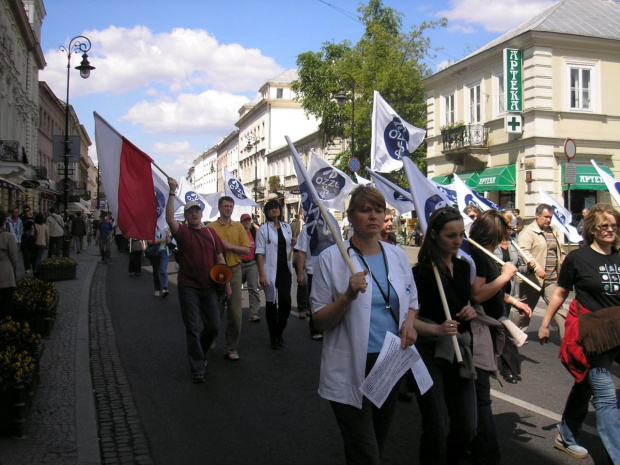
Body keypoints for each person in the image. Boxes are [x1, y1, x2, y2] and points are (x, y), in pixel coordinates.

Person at [311, 185, 418, 464]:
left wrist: (409, 323)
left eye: (378, 210)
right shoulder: (331, 259)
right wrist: (347, 297)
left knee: (375, 442)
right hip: (350, 364)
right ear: (350, 216)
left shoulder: (396, 255)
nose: (373, 216)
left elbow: (412, 301)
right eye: (365, 209)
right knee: (365, 450)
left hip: (390, 360)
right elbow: (319, 322)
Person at [538, 204, 620, 462]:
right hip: (594, 335)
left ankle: (565, 435)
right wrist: (545, 323)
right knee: (606, 399)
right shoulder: (578, 258)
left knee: (585, 384)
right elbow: (560, 293)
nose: (610, 230)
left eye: (613, 225)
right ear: (592, 230)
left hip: (619, 330)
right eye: (604, 226)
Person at [412, 206, 478, 465]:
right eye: (451, 236)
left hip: (459, 353)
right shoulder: (421, 273)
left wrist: (472, 310)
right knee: (437, 426)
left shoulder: (463, 267)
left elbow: (468, 304)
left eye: (461, 235)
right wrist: (436, 329)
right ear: (435, 236)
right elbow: (407, 321)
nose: (458, 241)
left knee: (467, 427)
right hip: (429, 353)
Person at [469, 209, 532, 465]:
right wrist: (506, 276)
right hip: (477, 331)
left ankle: (472, 443)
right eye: (501, 233)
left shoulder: (485, 255)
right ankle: (486, 453)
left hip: (487, 329)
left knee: (477, 394)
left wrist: (513, 300)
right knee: (480, 395)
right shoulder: (480, 256)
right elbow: (478, 294)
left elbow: (493, 292)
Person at [166, 178, 229, 384]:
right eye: (190, 212)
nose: (194, 214)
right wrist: (172, 192)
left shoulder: (211, 234)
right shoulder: (182, 233)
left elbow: (220, 260)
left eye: (197, 211)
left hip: (209, 287)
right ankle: (197, 367)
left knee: (213, 326)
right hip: (188, 287)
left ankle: (199, 353)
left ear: (201, 214)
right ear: (185, 217)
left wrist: (226, 284)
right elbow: (169, 220)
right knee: (193, 328)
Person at [209, 197, 251, 361]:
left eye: (231, 206)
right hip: (216, 272)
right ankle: (210, 337)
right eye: (225, 206)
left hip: (234, 270)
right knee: (214, 310)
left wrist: (230, 246)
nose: (228, 209)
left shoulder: (239, 227)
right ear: (219, 207)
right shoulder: (210, 228)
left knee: (235, 312)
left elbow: (246, 249)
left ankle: (231, 347)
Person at [517, 203, 566, 337]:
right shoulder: (528, 232)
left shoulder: (554, 230)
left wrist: (564, 257)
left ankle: (568, 340)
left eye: (550, 217)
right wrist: (536, 267)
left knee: (557, 308)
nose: (548, 220)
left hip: (551, 278)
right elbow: (524, 251)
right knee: (524, 311)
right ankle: (514, 337)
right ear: (537, 216)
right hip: (532, 279)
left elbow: (557, 249)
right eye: (545, 217)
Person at [256, 199, 296, 350]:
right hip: (270, 271)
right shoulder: (262, 230)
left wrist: (293, 242)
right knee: (271, 304)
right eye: (271, 208)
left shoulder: (287, 227)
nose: (274, 210)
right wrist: (261, 274)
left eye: (276, 207)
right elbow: (259, 252)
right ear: (266, 212)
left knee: (285, 303)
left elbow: (289, 247)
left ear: (280, 210)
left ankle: (279, 331)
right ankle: (273, 337)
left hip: (285, 270)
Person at [493, 213, 528, 384]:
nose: (509, 229)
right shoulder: (490, 245)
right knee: (502, 327)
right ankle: (508, 366)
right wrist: (502, 271)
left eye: (510, 225)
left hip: (510, 288)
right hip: (495, 288)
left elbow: (521, 264)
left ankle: (505, 365)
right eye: (506, 225)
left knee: (503, 325)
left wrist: (522, 267)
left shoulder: (514, 243)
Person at [294, 224, 323, 340]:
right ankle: (315, 329)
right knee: (315, 301)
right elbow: (301, 251)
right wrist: (300, 273)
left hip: (329, 269)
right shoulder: (308, 228)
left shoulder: (332, 225)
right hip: (312, 269)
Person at [240, 213, 261, 323]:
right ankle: (234, 311)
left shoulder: (254, 233)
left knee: (253, 288)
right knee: (235, 289)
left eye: (248, 220)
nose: (247, 222)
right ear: (241, 222)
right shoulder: (238, 233)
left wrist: (255, 225)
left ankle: (253, 314)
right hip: (239, 264)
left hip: (252, 263)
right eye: (244, 221)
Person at [0, 210, 18, 318]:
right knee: (5, 307)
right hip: (5, 275)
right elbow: (14, 258)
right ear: (3, 221)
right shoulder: (8, 237)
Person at [146, 226, 171, 297]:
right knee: (156, 271)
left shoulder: (166, 229)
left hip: (164, 253)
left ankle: (164, 288)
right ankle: (157, 288)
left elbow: (168, 242)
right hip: (154, 253)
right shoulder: (151, 229)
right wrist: (161, 240)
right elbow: (150, 242)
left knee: (163, 270)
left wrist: (168, 237)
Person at [20, 205, 36, 274]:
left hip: (32, 238)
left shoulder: (33, 218)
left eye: (27, 210)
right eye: (25, 211)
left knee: (32, 254)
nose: (26, 212)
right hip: (24, 238)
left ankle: (33, 266)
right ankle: (27, 268)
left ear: (30, 210)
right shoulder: (22, 219)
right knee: (25, 254)